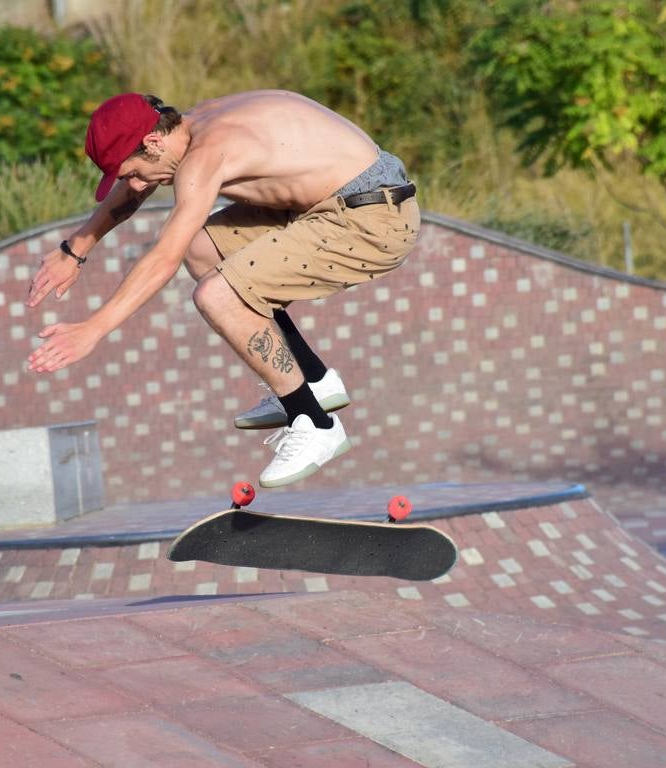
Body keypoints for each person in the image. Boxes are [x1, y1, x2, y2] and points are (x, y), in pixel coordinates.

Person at [25, 90, 419, 487]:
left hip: (373, 218)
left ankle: (314, 424)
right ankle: (315, 381)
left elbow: (161, 259)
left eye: (134, 173)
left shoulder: (204, 158)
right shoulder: (193, 125)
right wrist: (76, 247)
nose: (139, 185)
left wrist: (93, 329)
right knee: (202, 249)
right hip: (333, 200)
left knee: (217, 294)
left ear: (153, 141)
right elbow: (136, 189)